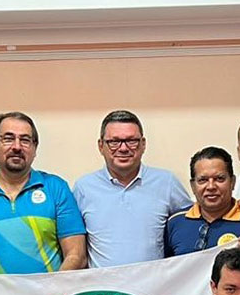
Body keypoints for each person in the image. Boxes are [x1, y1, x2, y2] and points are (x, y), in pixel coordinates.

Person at [0, 111, 87, 274]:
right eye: (8, 138)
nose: (17, 147)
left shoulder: (56, 188)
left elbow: (76, 255)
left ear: (34, 148)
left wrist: (52, 291)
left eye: (25, 140)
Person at [72, 110, 192, 267]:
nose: (123, 148)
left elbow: (192, 223)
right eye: (114, 142)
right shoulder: (84, 187)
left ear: (143, 144)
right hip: (102, 288)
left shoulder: (166, 182)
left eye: (131, 141)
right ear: (101, 146)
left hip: (153, 287)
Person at [164, 147, 240, 258]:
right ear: (193, 186)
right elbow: (164, 270)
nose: (211, 186)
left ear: (232, 182)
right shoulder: (174, 223)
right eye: (203, 180)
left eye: (219, 179)